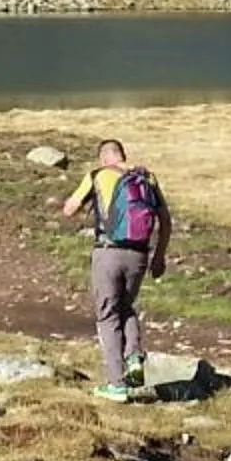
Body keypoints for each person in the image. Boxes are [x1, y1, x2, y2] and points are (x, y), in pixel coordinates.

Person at [58, 138, 171, 401]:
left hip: (108, 253)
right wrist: (159, 256)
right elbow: (165, 219)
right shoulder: (147, 177)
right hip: (140, 256)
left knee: (108, 315)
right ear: (122, 155)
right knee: (125, 306)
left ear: (103, 158)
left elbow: (69, 209)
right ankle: (133, 358)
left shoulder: (97, 175)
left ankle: (116, 384)